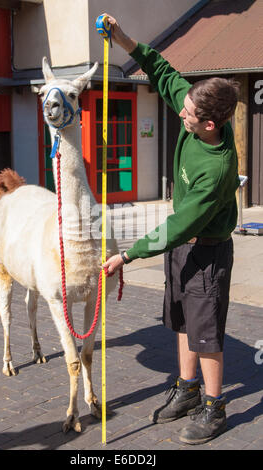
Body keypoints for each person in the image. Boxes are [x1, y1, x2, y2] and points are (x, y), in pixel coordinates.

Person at [102, 14, 240, 445]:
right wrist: (123, 38)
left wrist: (128, 254)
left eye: (189, 115)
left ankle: (215, 408)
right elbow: (162, 72)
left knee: (207, 334)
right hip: (182, 249)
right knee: (182, 322)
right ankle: (187, 389)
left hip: (206, 253)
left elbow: (180, 225)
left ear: (210, 125)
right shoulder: (195, 106)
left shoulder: (216, 168)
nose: (181, 112)